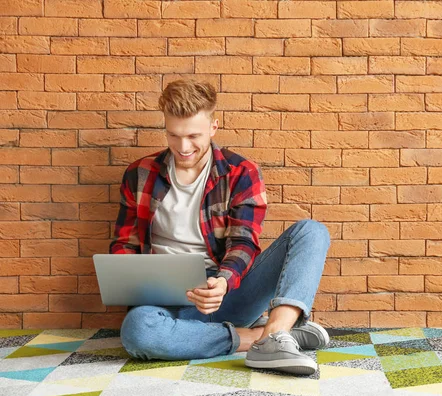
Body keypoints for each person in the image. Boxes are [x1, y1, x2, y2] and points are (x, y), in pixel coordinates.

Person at [110, 79, 331, 375]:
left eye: (193, 136)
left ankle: (274, 333)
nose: (183, 147)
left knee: (311, 231)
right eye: (173, 135)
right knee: (138, 332)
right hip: (164, 298)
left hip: (227, 291)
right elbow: (124, 245)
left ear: (214, 127)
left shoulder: (241, 173)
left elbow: (243, 243)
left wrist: (223, 281)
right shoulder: (139, 174)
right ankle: (260, 337)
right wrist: (133, 282)